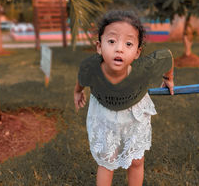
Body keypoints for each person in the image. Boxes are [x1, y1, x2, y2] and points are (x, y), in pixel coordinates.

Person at [74, 10, 174, 186]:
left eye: (128, 44)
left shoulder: (144, 67)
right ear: (99, 46)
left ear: (137, 52)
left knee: (136, 161)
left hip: (134, 113)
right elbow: (82, 79)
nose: (119, 48)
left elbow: (167, 57)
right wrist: (78, 92)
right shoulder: (90, 66)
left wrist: (168, 78)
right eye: (111, 41)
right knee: (107, 161)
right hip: (104, 115)